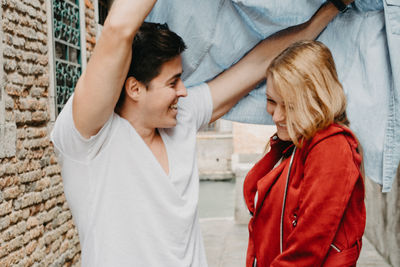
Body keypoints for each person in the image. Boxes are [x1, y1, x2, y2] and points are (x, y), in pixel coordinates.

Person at [50, 0, 354, 266]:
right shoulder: (89, 139)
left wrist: (331, 8)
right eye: (173, 82)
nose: (184, 91)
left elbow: (260, 63)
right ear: (134, 88)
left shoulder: (181, 118)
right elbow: (118, 30)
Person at [243, 40, 366, 267]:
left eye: (289, 106)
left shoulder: (331, 147)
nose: (276, 116)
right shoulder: (294, 144)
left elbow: (307, 251)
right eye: (271, 101)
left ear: (316, 100)